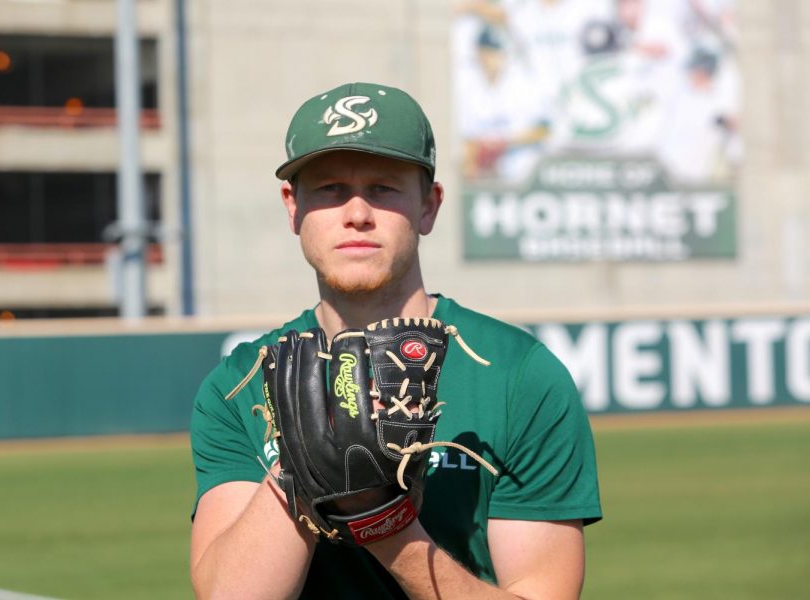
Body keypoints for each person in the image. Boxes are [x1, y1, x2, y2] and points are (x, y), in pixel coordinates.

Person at [189, 81, 602, 599]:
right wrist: (299, 465)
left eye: (383, 188)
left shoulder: (519, 374)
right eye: (330, 189)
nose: (357, 212)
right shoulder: (242, 381)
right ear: (293, 208)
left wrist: (383, 521)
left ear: (428, 206)